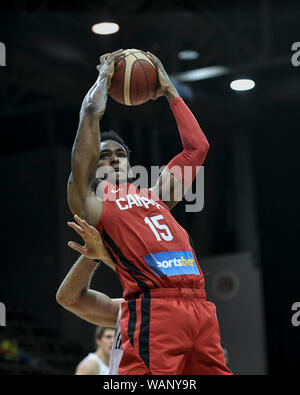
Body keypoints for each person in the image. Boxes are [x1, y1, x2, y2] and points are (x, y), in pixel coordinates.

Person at [65, 48, 232, 375]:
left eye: (119, 154)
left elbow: (197, 148)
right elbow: (89, 116)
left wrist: (170, 92)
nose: (113, 158)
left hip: (200, 306)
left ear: (130, 164)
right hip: (154, 307)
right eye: (104, 156)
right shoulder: (92, 202)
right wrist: (102, 82)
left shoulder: (157, 196)